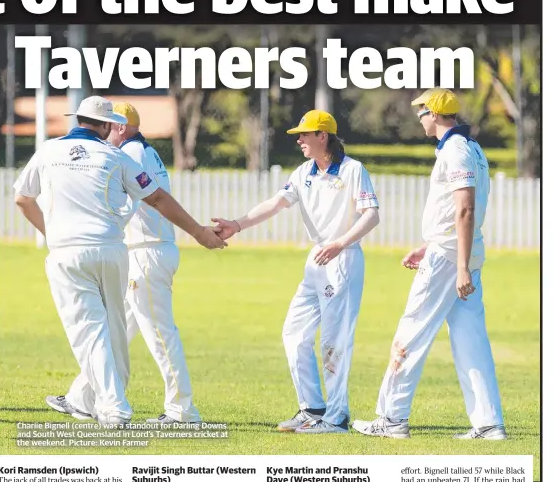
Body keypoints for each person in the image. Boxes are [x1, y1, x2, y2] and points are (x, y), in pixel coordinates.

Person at [12, 96, 226, 427]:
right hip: (114, 250)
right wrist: (197, 232)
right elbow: (156, 197)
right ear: (106, 125)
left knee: (92, 331)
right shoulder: (118, 156)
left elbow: (22, 199)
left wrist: (50, 232)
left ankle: (116, 407)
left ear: (79, 119)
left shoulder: (49, 151)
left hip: (87, 251)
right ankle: (88, 399)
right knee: (114, 330)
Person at [213, 109, 380, 435]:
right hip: (315, 261)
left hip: (342, 260)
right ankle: (313, 409)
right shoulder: (304, 171)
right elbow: (275, 204)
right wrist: (237, 224)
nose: (299, 140)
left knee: (334, 341)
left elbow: (371, 215)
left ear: (323, 136)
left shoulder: (352, 170)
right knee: (294, 333)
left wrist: (340, 243)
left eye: (305, 134)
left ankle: (336, 418)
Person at [352, 88, 506, 440]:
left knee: (411, 332)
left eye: (421, 111)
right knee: (471, 340)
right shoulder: (471, 147)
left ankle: (391, 420)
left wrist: (460, 264)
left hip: (451, 258)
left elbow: (465, 209)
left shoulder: (454, 150)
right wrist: (429, 244)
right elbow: (457, 211)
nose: (418, 117)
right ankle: (488, 424)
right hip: (455, 251)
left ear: (434, 114)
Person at [107, 102, 202, 425]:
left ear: (120, 127)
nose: (104, 132)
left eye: (108, 126)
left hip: (146, 252)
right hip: (150, 250)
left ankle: (182, 411)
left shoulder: (130, 153)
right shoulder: (143, 150)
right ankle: (84, 395)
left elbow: (131, 205)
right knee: (114, 330)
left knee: (161, 335)